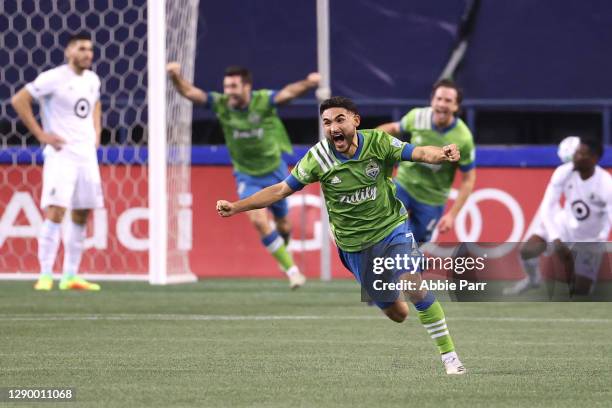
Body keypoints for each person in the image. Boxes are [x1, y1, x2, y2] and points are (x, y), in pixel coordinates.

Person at [216, 96, 467, 374]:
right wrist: (237, 206)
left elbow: (419, 153)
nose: (333, 127)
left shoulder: (378, 142)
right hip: (354, 247)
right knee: (398, 314)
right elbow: (280, 190)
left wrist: (441, 154)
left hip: (391, 228)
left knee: (412, 282)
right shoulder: (318, 158)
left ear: (355, 121)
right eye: (327, 122)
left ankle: (450, 357)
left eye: (339, 119)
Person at [167, 63, 319, 289]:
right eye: (226, 86)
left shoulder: (263, 101)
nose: (229, 91)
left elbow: (288, 93)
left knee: (284, 225)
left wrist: (309, 83)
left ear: (247, 86)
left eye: (234, 86)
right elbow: (190, 93)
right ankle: (292, 270)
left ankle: (282, 250)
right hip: (247, 175)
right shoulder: (221, 104)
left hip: (275, 171)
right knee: (258, 219)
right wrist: (175, 76)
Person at [11, 33, 103, 291]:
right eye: (82, 48)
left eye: (90, 50)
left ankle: (70, 275)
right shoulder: (53, 78)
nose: (88, 54)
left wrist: (97, 131)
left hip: (86, 155)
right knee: (56, 210)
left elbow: (96, 103)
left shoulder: (93, 80)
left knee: (82, 211)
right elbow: (19, 100)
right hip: (62, 155)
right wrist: (41, 135)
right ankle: (45, 274)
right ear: (68, 52)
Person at [504, 137, 612, 296]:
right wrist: (556, 238)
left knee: (581, 291)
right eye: (576, 153)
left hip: (590, 237)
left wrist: (600, 243)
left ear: (594, 159)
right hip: (564, 225)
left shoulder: (606, 185)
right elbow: (547, 207)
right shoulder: (563, 172)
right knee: (527, 250)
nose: (575, 157)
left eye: (581, 154)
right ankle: (533, 280)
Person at [377, 79, 476, 243]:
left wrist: (452, 215)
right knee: (382, 228)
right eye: (438, 99)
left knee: (414, 247)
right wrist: (367, 142)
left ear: (456, 107)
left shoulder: (463, 138)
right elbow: (393, 128)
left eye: (448, 100)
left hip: (432, 199)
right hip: (404, 185)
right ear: (432, 100)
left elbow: (468, 179)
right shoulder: (417, 116)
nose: (442, 104)